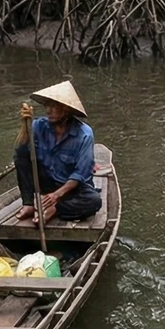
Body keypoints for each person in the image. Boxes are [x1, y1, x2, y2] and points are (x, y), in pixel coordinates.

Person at [14, 80, 102, 223]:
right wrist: (25, 125)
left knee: (93, 200)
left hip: (70, 188)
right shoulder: (38, 126)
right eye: (47, 105)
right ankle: (28, 205)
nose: (48, 110)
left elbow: (81, 174)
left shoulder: (84, 134)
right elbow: (23, 154)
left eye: (54, 106)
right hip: (47, 182)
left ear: (66, 110)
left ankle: (56, 209)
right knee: (20, 155)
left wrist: (56, 196)